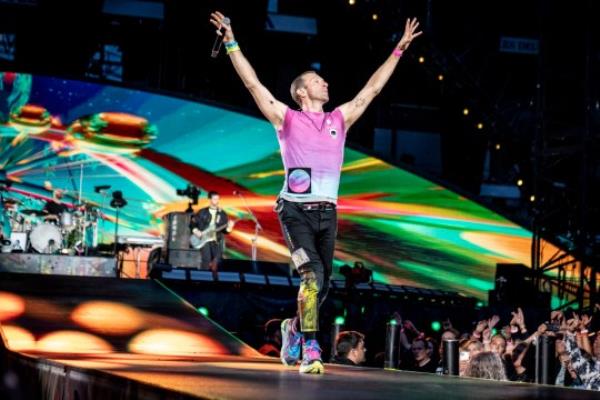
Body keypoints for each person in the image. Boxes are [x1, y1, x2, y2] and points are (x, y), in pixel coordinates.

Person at [209, 10, 421, 374]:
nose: (326, 84)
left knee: (322, 287)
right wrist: (230, 40)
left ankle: (292, 327)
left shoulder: (340, 118)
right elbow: (253, 84)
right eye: (318, 81)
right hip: (294, 210)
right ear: (302, 92)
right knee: (310, 278)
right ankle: (310, 347)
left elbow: (372, 88)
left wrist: (399, 49)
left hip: (328, 212)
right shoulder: (285, 118)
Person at [190, 191, 234, 271]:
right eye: (214, 199)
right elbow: (192, 223)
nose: (216, 201)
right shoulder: (202, 212)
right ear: (210, 200)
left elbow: (225, 231)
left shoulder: (222, 214)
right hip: (204, 239)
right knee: (206, 259)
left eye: (218, 199)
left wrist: (229, 228)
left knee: (218, 260)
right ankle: (204, 277)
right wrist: (196, 231)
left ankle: (215, 278)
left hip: (216, 240)